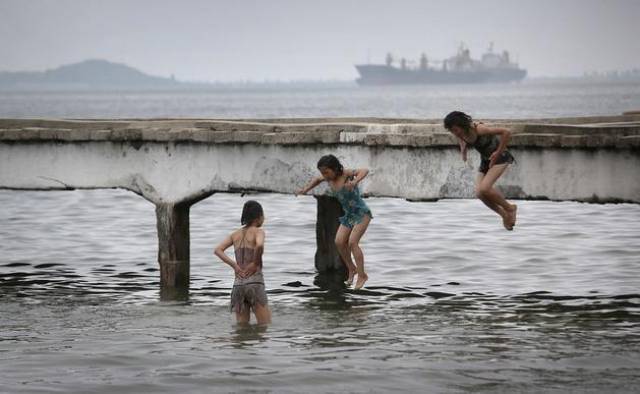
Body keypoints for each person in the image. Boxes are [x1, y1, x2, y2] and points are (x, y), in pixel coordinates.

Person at [297, 154, 372, 289]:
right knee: (338, 241)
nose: (324, 175)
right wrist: (305, 189)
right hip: (349, 215)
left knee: (352, 242)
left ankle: (362, 275)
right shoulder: (328, 179)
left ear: (335, 168)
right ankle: (351, 268)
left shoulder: (345, 174)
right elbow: (317, 179)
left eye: (326, 172)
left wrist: (355, 182)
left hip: (361, 213)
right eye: (322, 172)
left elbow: (364, 170)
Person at [443, 111, 517, 230]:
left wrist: (498, 152)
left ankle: (510, 208)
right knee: (479, 193)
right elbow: (460, 137)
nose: (455, 133)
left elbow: (506, 132)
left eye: (456, 130)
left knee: (485, 188)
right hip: (486, 160)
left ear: (462, 125)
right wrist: (463, 147)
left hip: (500, 157)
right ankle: (503, 215)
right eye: (452, 131)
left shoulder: (479, 129)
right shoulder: (460, 133)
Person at [214, 200, 271, 324]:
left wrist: (234, 265)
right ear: (258, 217)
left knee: (241, 330)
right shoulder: (258, 231)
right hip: (255, 283)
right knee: (265, 326)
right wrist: (255, 263)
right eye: (263, 216)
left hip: (238, 285)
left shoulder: (235, 234)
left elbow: (218, 250)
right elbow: (259, 245)